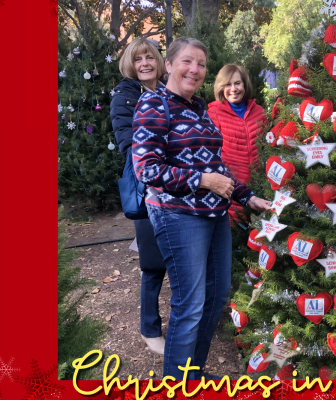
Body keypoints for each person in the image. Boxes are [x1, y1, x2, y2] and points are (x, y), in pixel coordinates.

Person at [132, 37, 271, 380]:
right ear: (170, 64)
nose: (195, 70)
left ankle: (191, 376)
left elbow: (216, 165)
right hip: (178, 216)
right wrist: (204, 182)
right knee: (190, 305)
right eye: (187, 61)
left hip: (216, 213)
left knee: (218, 294)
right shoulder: (154, 104)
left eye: (202, 64)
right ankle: (177, 384)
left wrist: (245, 195)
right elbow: (147, 169)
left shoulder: (197, 108)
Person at [110, 37, 167, 355]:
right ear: (130, 63)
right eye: (139, 58)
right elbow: (127, 142)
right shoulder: (125, 95)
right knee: (153, 262)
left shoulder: (169, 89)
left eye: (150, 57)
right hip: (148, 188)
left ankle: (189, 321)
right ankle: (150, 329)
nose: (145, 63)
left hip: (178, 186)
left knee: (181, 258)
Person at [207, 64, 267, 186]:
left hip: (261, 186)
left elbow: (267, 147)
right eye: (228, 84)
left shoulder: (259, 112)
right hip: (231, 189)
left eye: (237, 83)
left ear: (245, 84)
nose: (233, 89)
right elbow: (210, 155)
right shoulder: (214, 114)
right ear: (221, 87)